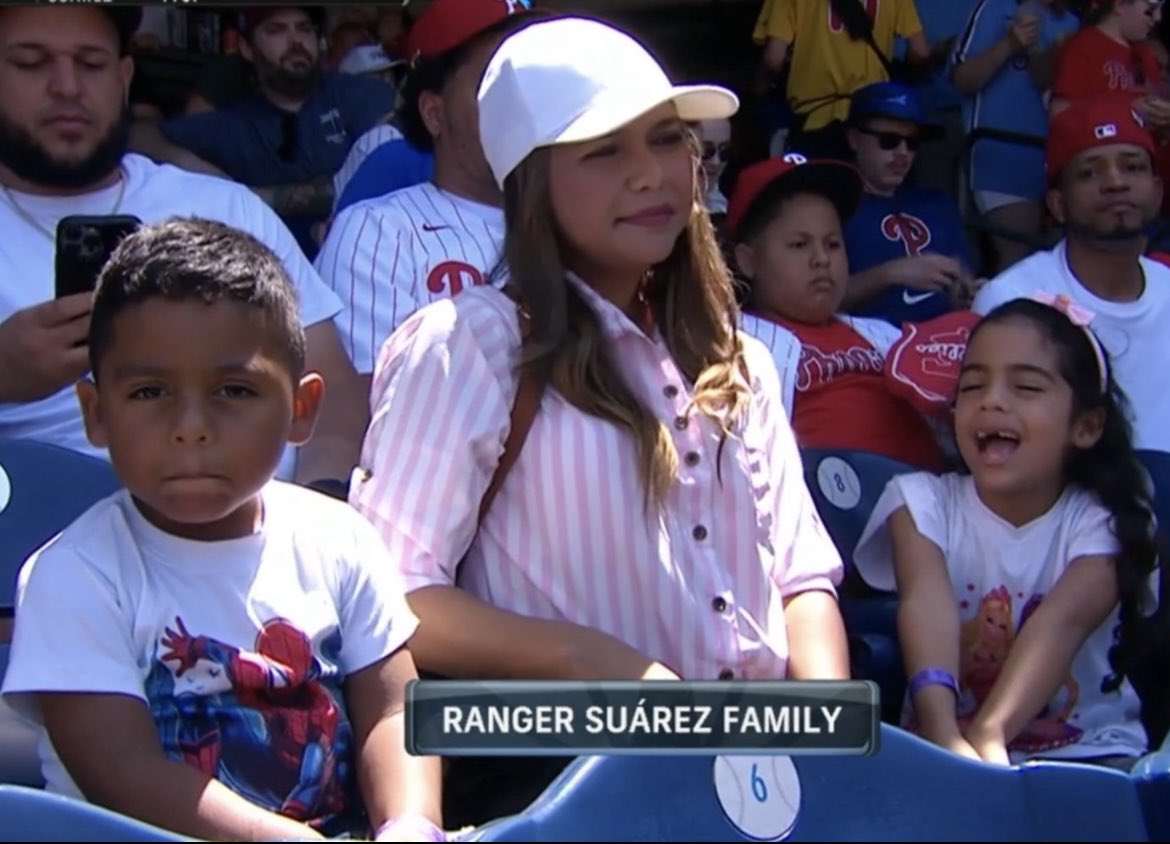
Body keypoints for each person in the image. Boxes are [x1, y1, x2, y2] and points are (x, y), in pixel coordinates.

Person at [352, 13, 851, 821]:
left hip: (765, 786)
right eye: (604, 151)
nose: (652, 174)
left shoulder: (741, 359)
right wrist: (599, 664)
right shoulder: (470, 343)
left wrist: (828, 738)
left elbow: (802, 580)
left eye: (666, 140)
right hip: (569, 785)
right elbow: (393, 595)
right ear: (534, 183)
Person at [0, 218, 443, 841]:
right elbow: (121, 772)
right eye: (150, 392)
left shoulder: (340, 539)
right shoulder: (73, 575)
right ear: (96, 415)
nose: (191, 426)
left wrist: (411, 823)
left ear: (301, 410)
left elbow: (395, 711)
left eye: (233, 390)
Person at [0, 5, 367, 489]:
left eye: (91, 64)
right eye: (31, 63)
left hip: (257, 533)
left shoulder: (224, 208)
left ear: (124, 77)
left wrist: (319, 509)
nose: (67, 86)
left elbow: (334, 384)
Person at [852, 295, 1158, 769]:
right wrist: (944, 735)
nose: (992, 400)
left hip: (1091, 754)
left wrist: (990, 734)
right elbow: (925, 606)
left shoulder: (1107, 518)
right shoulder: (918, 503)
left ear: (1087, 425)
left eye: (1026, 388)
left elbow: (1060, 625)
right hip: (939, 747)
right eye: (973, 386)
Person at [316, 0, 537, 381]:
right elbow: (374, 420)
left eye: (533, 77)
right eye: (496, 81)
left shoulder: (583, 219)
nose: (524, 99)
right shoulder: (378, 233)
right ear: (435, 113)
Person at [729, 154, 950, 470]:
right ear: (748, 261)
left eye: (833, 244)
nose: (821, 259)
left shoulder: (884, 335)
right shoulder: (732, 341)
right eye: (799, 245)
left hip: (935, 498)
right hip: (825, 506)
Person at [973, 96, 1170, 452]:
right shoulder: (1013, 300)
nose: (1115, 183)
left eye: (1133, 167)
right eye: (1089, 172)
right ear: (1058, 205)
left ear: (1157, 193)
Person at [151, 6, 398, 259]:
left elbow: (395, 166)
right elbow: (141, 140)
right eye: (276, 30)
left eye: (304, 29)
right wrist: (232, 192)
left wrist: (268, 198)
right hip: (269, 273)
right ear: (246, 48)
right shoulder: (236, 125)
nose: (296, 41)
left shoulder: (360, 95)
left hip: (369, 260)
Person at [950, 0, 1079, 271]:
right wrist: (1009, 44)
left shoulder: (1071, 22)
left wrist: (1057, 53)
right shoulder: (996, 9)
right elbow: (963, 80)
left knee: (1063, 262)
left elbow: (1044, 80)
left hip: (1053, 161)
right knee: (1017, 260)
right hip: (1002, 158)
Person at [840, 82, 978, 325]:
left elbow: (964, 277)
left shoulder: (937, 203)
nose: (902, 152)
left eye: (912, 143)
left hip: (945, 340)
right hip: (870, 345)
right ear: (854, 139)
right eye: (889, 140)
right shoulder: (832, 208)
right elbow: (817, 301)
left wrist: (967, 292)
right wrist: (891, 274)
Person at [752, 0, 932, 160]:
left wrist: (756, 93)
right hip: (873, 124)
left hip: (816, 121)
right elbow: (920, 52)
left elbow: (772, 60)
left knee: (819, 195)